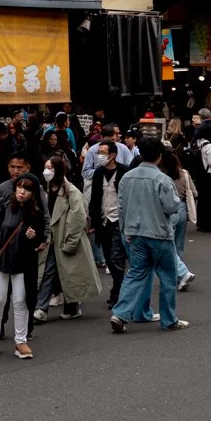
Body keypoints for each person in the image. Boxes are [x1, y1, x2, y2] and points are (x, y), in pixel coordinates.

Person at [109, 137, 189, 334]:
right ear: (159, 156)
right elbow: (172, 207)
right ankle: (169, 320)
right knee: (167, 277)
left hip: (135, 233)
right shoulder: (162, 179)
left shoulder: (127, 178)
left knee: (136, 273)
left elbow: (121, 207)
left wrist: (125, 230)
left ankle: (120, 313)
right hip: (159, 233)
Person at [0, 174, 45, 359]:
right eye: (19, 187)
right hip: (1, 261)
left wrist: (34, 237)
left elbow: (40, 238)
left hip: (24, 263)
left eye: (27, 189)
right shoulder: (2, 207)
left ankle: (20, 340)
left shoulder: (36, 213)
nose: (22, 191)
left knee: (20, 301)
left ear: (33, 193)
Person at [36, 154, 96, 321]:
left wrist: (70, 241)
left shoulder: (71, 191)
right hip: (52, 239)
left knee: (69, 273)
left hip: (66, 237)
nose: (46, 171)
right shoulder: (44, 190)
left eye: (50, 168)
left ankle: (69, 306)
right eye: (45, 167)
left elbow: (78, 217)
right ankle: (42, 308)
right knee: (49, 272)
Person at [87, 142, 128, 307]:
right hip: (102, 221)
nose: (99, 156)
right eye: (98, 152)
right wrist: (93, 221)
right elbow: (94, 197)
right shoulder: (98, 172)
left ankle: (118, 294)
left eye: (102, 153)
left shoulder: (124, 171)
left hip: (118, 220)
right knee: (108, 258)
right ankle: (118, 290)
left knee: (116, 257)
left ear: (112, 155)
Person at [159, 150, 198, 292]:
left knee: (168, 245)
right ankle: (180, 274)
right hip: (182, 208)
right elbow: (194, 192)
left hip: (168, 210)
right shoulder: (184, 173)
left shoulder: (161, 176)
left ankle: (180, 273)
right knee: (179, 244)